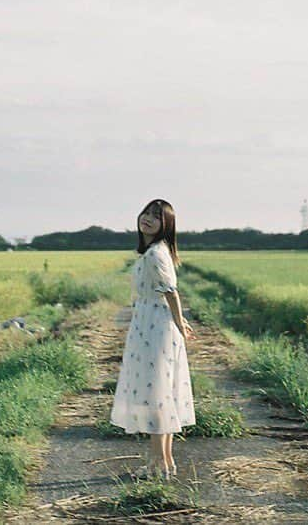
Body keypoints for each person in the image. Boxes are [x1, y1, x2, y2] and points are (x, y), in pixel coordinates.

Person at [109, 198, 196, 479]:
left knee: (155, 395)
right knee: (161, 393)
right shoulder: (156, 252)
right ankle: (164, 463)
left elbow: (171, 292)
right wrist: (178, 321)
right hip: (153, 322)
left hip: (154, 327)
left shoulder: (156, 254)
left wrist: (180, 324)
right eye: (146, 213)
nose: (147, 218)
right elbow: (167, 294)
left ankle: (158, 464)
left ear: (166, 225)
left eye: (156, 216)